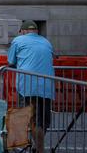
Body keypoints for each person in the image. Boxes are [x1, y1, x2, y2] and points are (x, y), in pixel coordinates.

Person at [8, 20, 55, 153]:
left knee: (32, 119)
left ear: (22, 31)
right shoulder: (46, 41)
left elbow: (11, 61)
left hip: (28, 84)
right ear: (37, 31)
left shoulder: (18, 40)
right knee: (43, 120)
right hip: (47, 84)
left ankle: (39, 149)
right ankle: (37, 146)